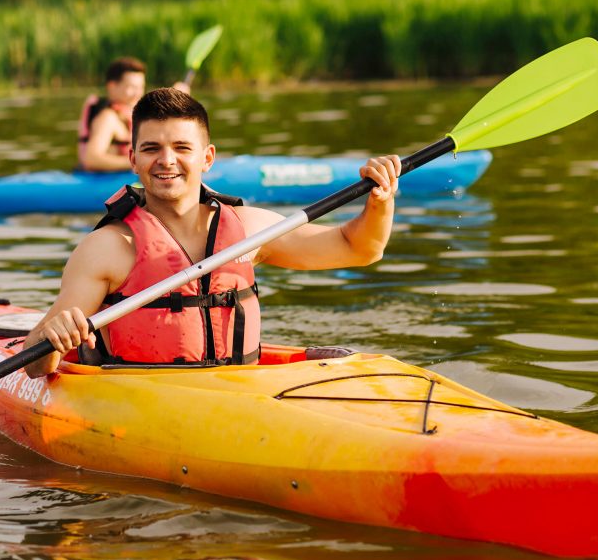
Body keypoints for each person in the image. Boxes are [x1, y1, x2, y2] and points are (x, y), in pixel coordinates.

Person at [26, 87, 400, 376]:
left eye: (182, 147)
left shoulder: (249, 230)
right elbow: (34, 363)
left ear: (207, 157)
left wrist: (380, 201)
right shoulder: (107, 249)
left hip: (238, 398)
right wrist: (53, 338)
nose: (167, 160)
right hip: (142, 405)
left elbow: (358, 248)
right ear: (134, 159)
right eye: (152, 148)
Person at [77, 57, 189, 172]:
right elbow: (91, 159)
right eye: (131, 87)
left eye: (140, 87)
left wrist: (175, 100)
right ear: (112, 86)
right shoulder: (107, 118)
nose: (138, 93)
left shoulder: (131, 113)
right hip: (101, 182)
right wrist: (138, 162)